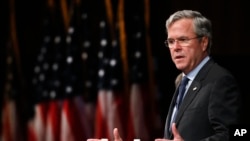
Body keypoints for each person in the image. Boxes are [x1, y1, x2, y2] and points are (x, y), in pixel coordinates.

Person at [87, 9, 242, 141]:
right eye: (171, 41)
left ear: (204, 42)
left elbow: (235, 134)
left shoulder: (219, 80)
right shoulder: (181, 81)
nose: (176, 48)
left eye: (183, 40)